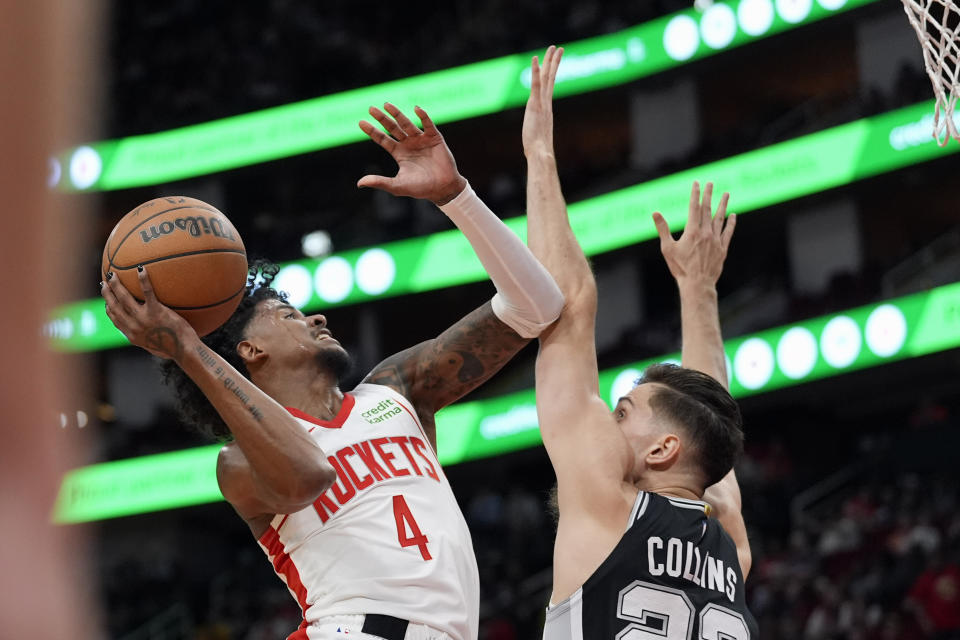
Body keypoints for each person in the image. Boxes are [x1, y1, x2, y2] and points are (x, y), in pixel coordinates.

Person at [100, 102, 564, 640]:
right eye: (288, 314)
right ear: (249, 350)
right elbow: (308, 476)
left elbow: (536, 305)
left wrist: (454, 196)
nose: (316, 317)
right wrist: (186, 346)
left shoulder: (396, 389)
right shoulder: (239, 462)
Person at [522, 46, 757, 638]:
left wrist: (540, 156)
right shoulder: (729, 548)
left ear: (661, 451)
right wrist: (698, 291)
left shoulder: (607, 503)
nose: (609, 417)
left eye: (623, 412)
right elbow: (709, 425)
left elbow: (568, 311)